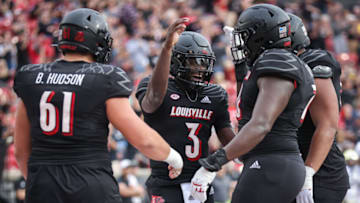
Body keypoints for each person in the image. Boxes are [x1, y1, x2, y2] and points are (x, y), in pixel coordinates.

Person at [13, 8, 183, 203]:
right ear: (96, 40)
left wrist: (40, 182)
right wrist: (173, 157)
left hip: (43, 186)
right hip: (90, 183)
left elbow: (20, 150)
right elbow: (144, 140)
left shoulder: (31, 77)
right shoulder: (104, 78)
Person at [190, 4, 316, 203]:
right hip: (274, 163)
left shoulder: (277, 61)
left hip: (271, 164)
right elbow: (248, 106)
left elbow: (261, 124)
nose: (243, 42)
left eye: (245, 36)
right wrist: (241, 68)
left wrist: (214, 163)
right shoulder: (282, 62)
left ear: (260, 35)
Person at [135, 19, 236, 203]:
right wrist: (166, 49)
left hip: (200, 180)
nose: (199, 68)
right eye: (193, 62)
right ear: (176, 60)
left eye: (204, 63)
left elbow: (229, 139)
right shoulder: (155, 86)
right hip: (166, 181)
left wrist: (215, 165)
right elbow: (153, 100)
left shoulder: (215, 94)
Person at [288, 13, 350, 203]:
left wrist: (308, 172)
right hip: (290, 167)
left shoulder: (313, 62)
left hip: (320, 172)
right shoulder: (277, 70)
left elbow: (327, 125)